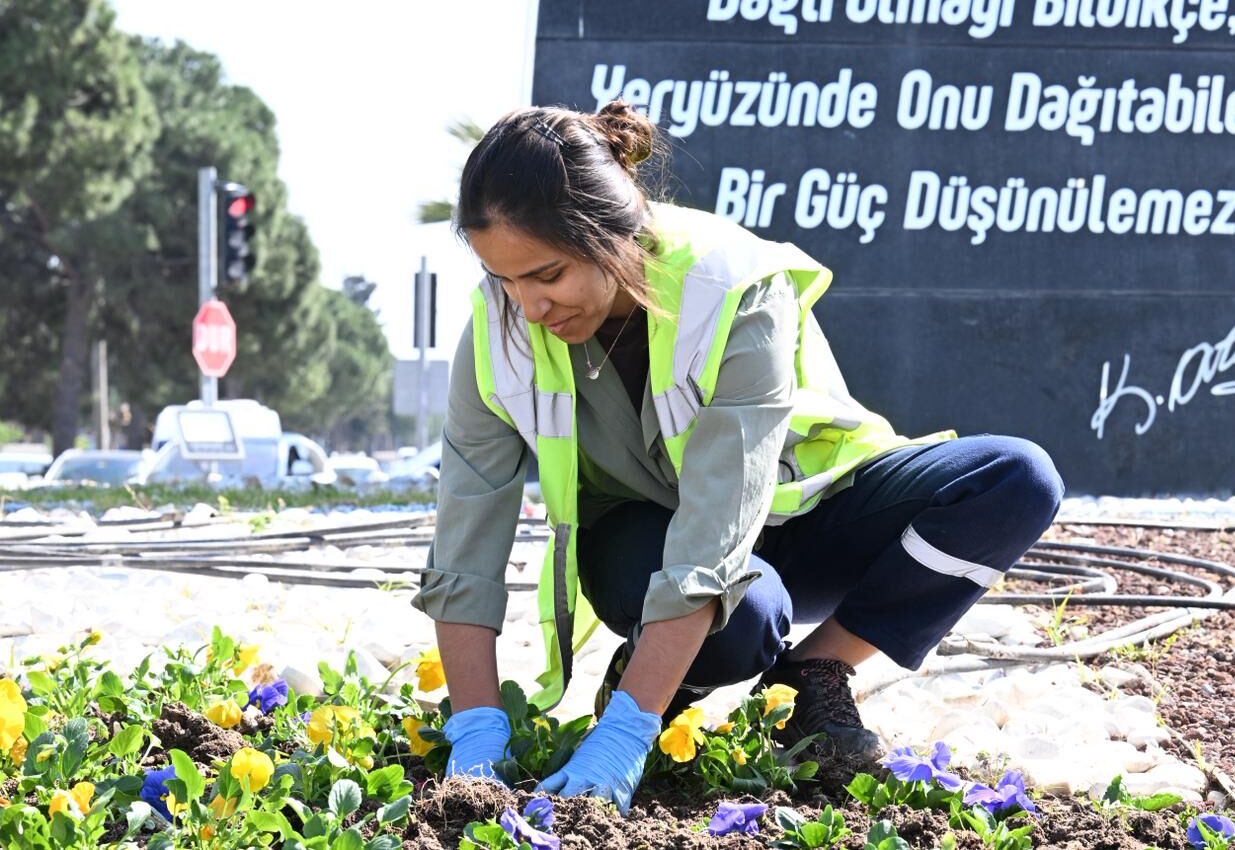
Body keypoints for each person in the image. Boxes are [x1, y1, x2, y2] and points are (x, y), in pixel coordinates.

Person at [411, 102, 1064, 813]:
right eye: (503, 280)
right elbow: (466, 539)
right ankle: (670, 676)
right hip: (643, 536)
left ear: (609, 234)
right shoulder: (500, 326)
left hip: (797, 509)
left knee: (1015, 480)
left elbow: (720, 525)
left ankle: (813, 672)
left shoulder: (731, 288)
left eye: (547, 274)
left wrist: (626, 732)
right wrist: (475, 730)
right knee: (743, 619)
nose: (527, 307)